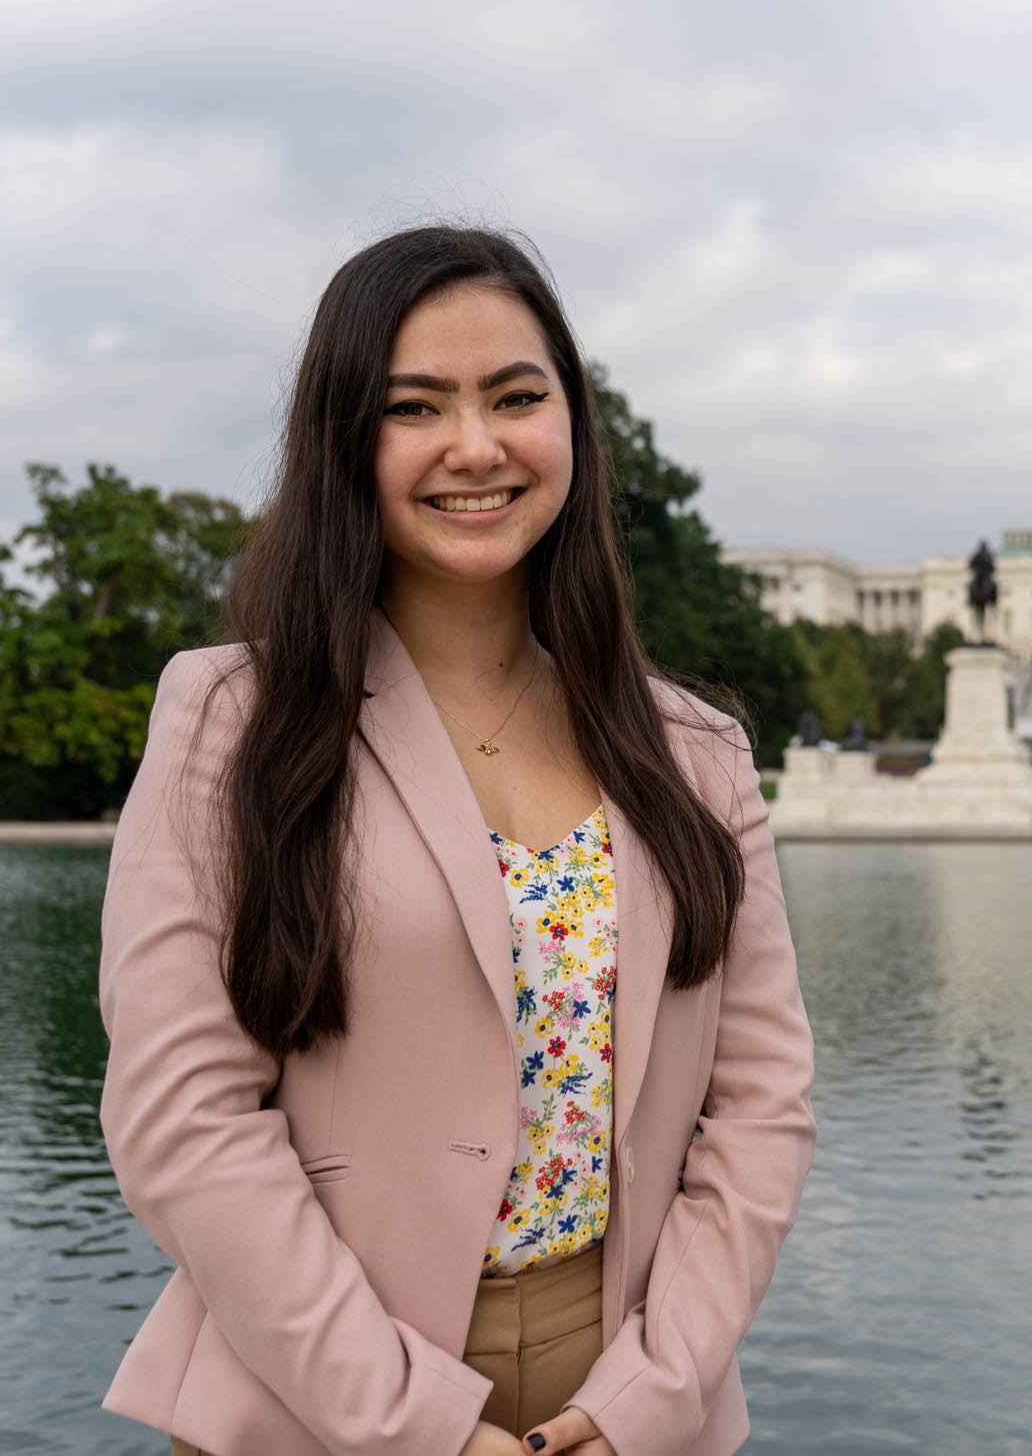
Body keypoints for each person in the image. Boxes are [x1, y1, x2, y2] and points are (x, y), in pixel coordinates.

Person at [96, 226, 817, 1456]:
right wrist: (411, 1420)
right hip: (316, 1395)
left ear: (574, 429)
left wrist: (651, 1391)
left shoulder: (692, 750)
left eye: (516, 397)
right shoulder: (234, 721)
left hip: (627, 1393)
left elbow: (761, 1108)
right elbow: (183, 1116)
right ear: (343, 441)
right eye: (413, 406)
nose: (475, 446)